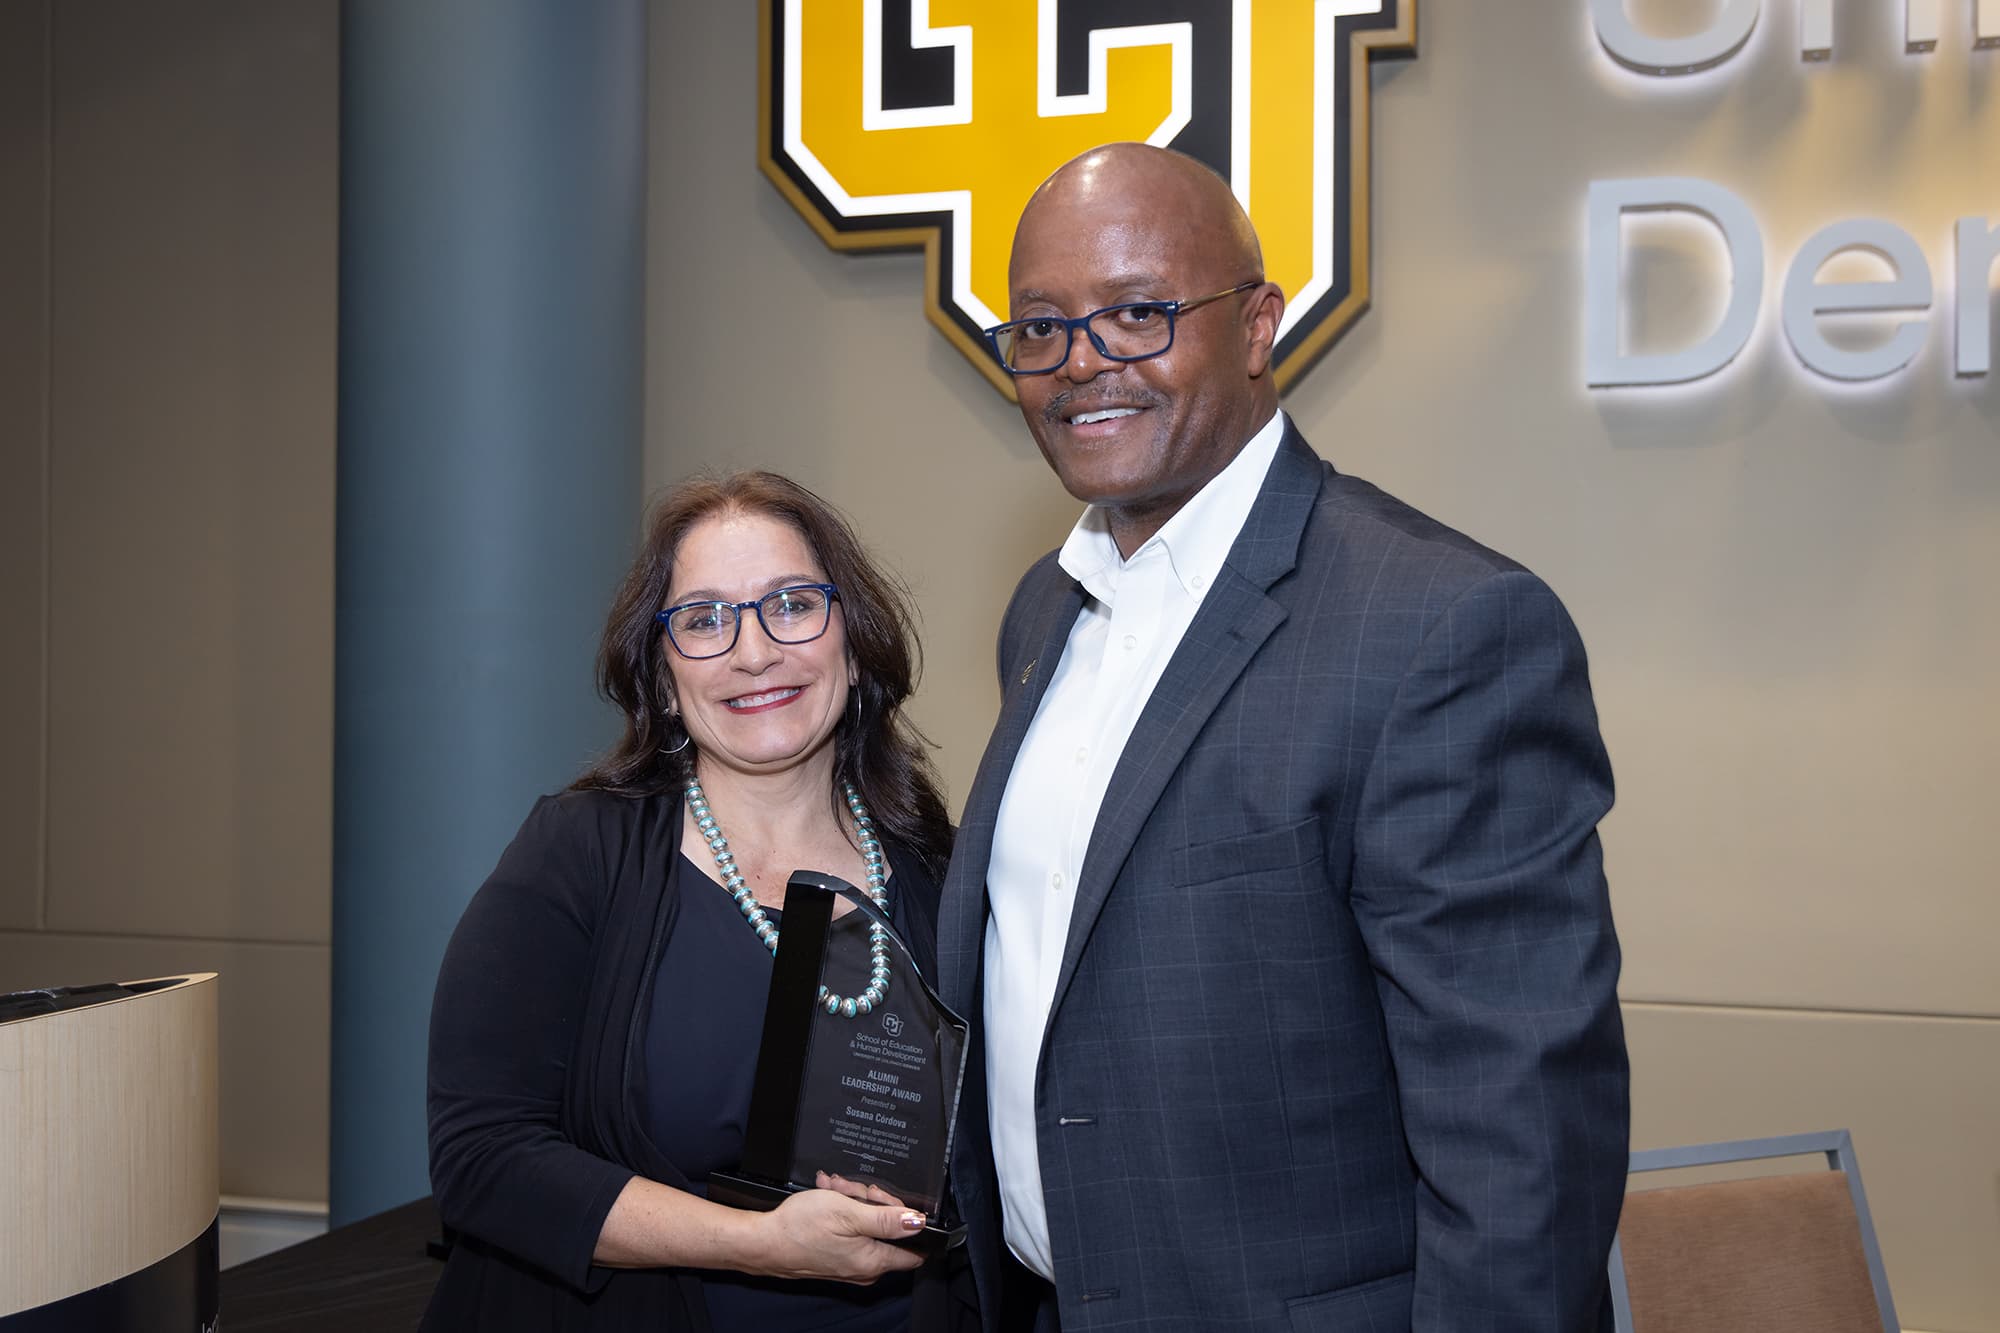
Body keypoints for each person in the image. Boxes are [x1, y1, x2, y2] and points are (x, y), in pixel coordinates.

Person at [937, 143, 1630, 1331]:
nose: (1080, 364)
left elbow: (1521, 1145)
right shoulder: (1044, 613)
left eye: (1138, 314)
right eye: (1040, 328)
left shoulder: (1441, 628)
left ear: (1257, 325)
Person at [423, 471, 967, 1331]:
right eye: (706, 619)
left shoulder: (933, 860)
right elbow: (482, 1159)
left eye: (791, 604)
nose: (754, 652)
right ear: (665, 674)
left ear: (853, 644)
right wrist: (757, 1242)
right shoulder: (579, 854)